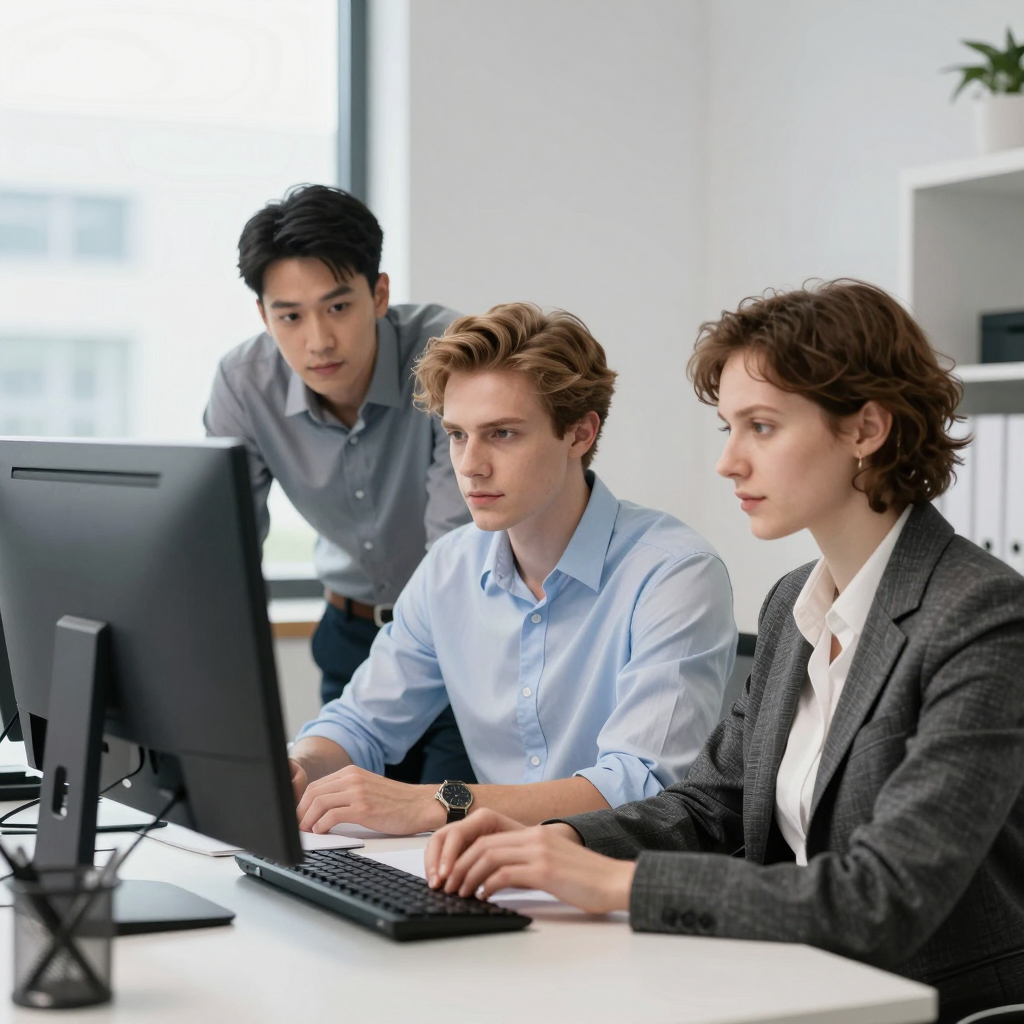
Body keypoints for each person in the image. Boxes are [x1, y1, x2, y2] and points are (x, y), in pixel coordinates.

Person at [426, 280, 1024, 1024]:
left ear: (866, 429)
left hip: (927, 1003)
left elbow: (886, 896)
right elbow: (712, 806)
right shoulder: (793, 603)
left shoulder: (981, 616)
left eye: (762, 427)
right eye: (727, 429)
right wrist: (550, 840)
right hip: (787, 983)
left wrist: (614, 886)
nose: (729, 463)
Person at [288, 301, 737, 836]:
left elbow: (641, 783)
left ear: (579, 434)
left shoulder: (674, 574)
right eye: (457, 434)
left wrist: (438, 802)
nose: (470, 465)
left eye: (502, 434)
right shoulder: (449, 569)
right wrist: (299, 767)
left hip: (619, 884)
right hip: (494, 873)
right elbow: (362, 722)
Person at [204, 184, 474, 785]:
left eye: (338, 307)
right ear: (263, 316)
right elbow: (223, 550)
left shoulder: (448, 353)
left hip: (466, 635)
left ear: (378, 294)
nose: (318, 340)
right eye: (290, 316)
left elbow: (457, 549)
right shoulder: (245, 384)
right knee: (339, 838)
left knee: (447, 843)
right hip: (349, 637)